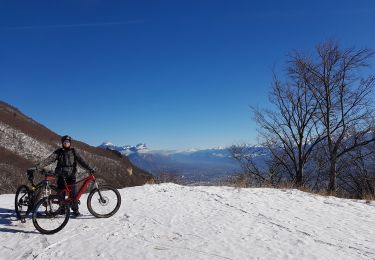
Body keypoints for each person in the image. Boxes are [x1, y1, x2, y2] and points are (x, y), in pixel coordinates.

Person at [32, 135, 94, 216]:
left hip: (71, 175)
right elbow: (49, 159)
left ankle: (75, 209)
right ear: (62, 143)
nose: (66, 143)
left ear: (70, 143)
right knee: (61, 193)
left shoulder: (74, 151)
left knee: (73, 194)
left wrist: (89, 168)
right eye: (65, 142)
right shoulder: (59, 152)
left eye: (68, 142)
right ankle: (62, 209)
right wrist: (39, 166)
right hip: (61, 175)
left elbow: (82, 161)